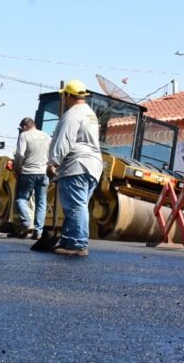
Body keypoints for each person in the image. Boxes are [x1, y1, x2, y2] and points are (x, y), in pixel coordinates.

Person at [46, 80, 103, 257]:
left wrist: (53, 162)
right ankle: (68, 241)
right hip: (93, 166)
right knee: (78, 205)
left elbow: (64, 140)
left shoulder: (72, 114)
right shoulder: (90, 114)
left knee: (76, 206)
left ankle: (78, 243)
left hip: (77, 165)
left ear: (68, 96)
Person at [10, 117, 50, 240]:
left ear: (24, 127)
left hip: (28, 173)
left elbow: (20, 154)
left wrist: (17, 168)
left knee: (21, 199)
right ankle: (38, 232)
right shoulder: (46, 136)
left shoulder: (24, 135)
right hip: (43, 174)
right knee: (41, 203)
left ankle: (27, 222)